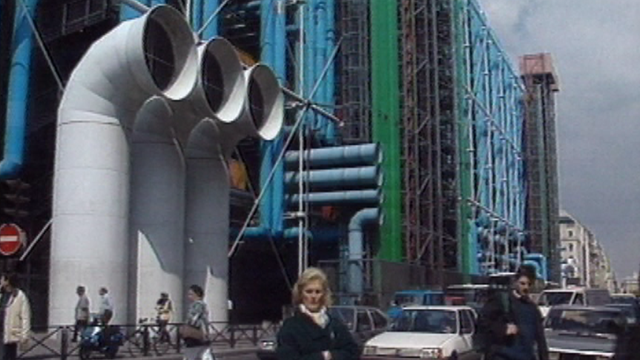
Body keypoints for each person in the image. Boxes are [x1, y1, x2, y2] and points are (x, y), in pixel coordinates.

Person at [276, 267, 359, 360]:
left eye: (318, 292)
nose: (313, 296)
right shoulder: (290, 327)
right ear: (300, 294)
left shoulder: (335, 325)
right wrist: (322, 356)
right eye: (309, 291)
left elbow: (353, 353)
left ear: (324, 294)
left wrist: (331, 356)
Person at [476, 265, 548, 360]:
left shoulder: (533, 309)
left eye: (529, 284)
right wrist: (503, 329)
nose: (526, 287)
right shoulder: (501, 301)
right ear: (515, 282)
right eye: (522, 283)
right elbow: (482, 323)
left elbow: (540, 339)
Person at [1, 273, 31, 360]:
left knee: (8, 356)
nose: (1, 281)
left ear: (8, 281)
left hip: (10, 334)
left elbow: (25, 316)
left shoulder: (20, 296)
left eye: (2, 279)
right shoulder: (1, 293)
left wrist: (24, 335)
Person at [182, 285, 209, 360]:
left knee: (192, 354)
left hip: (196, 332)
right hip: (200, 333)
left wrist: (187, 327)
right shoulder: (201, 304)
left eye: (190, 294)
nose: (188, 296)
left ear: (197, 294)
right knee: (203, 354)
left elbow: (194, 318)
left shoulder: (197, 305)